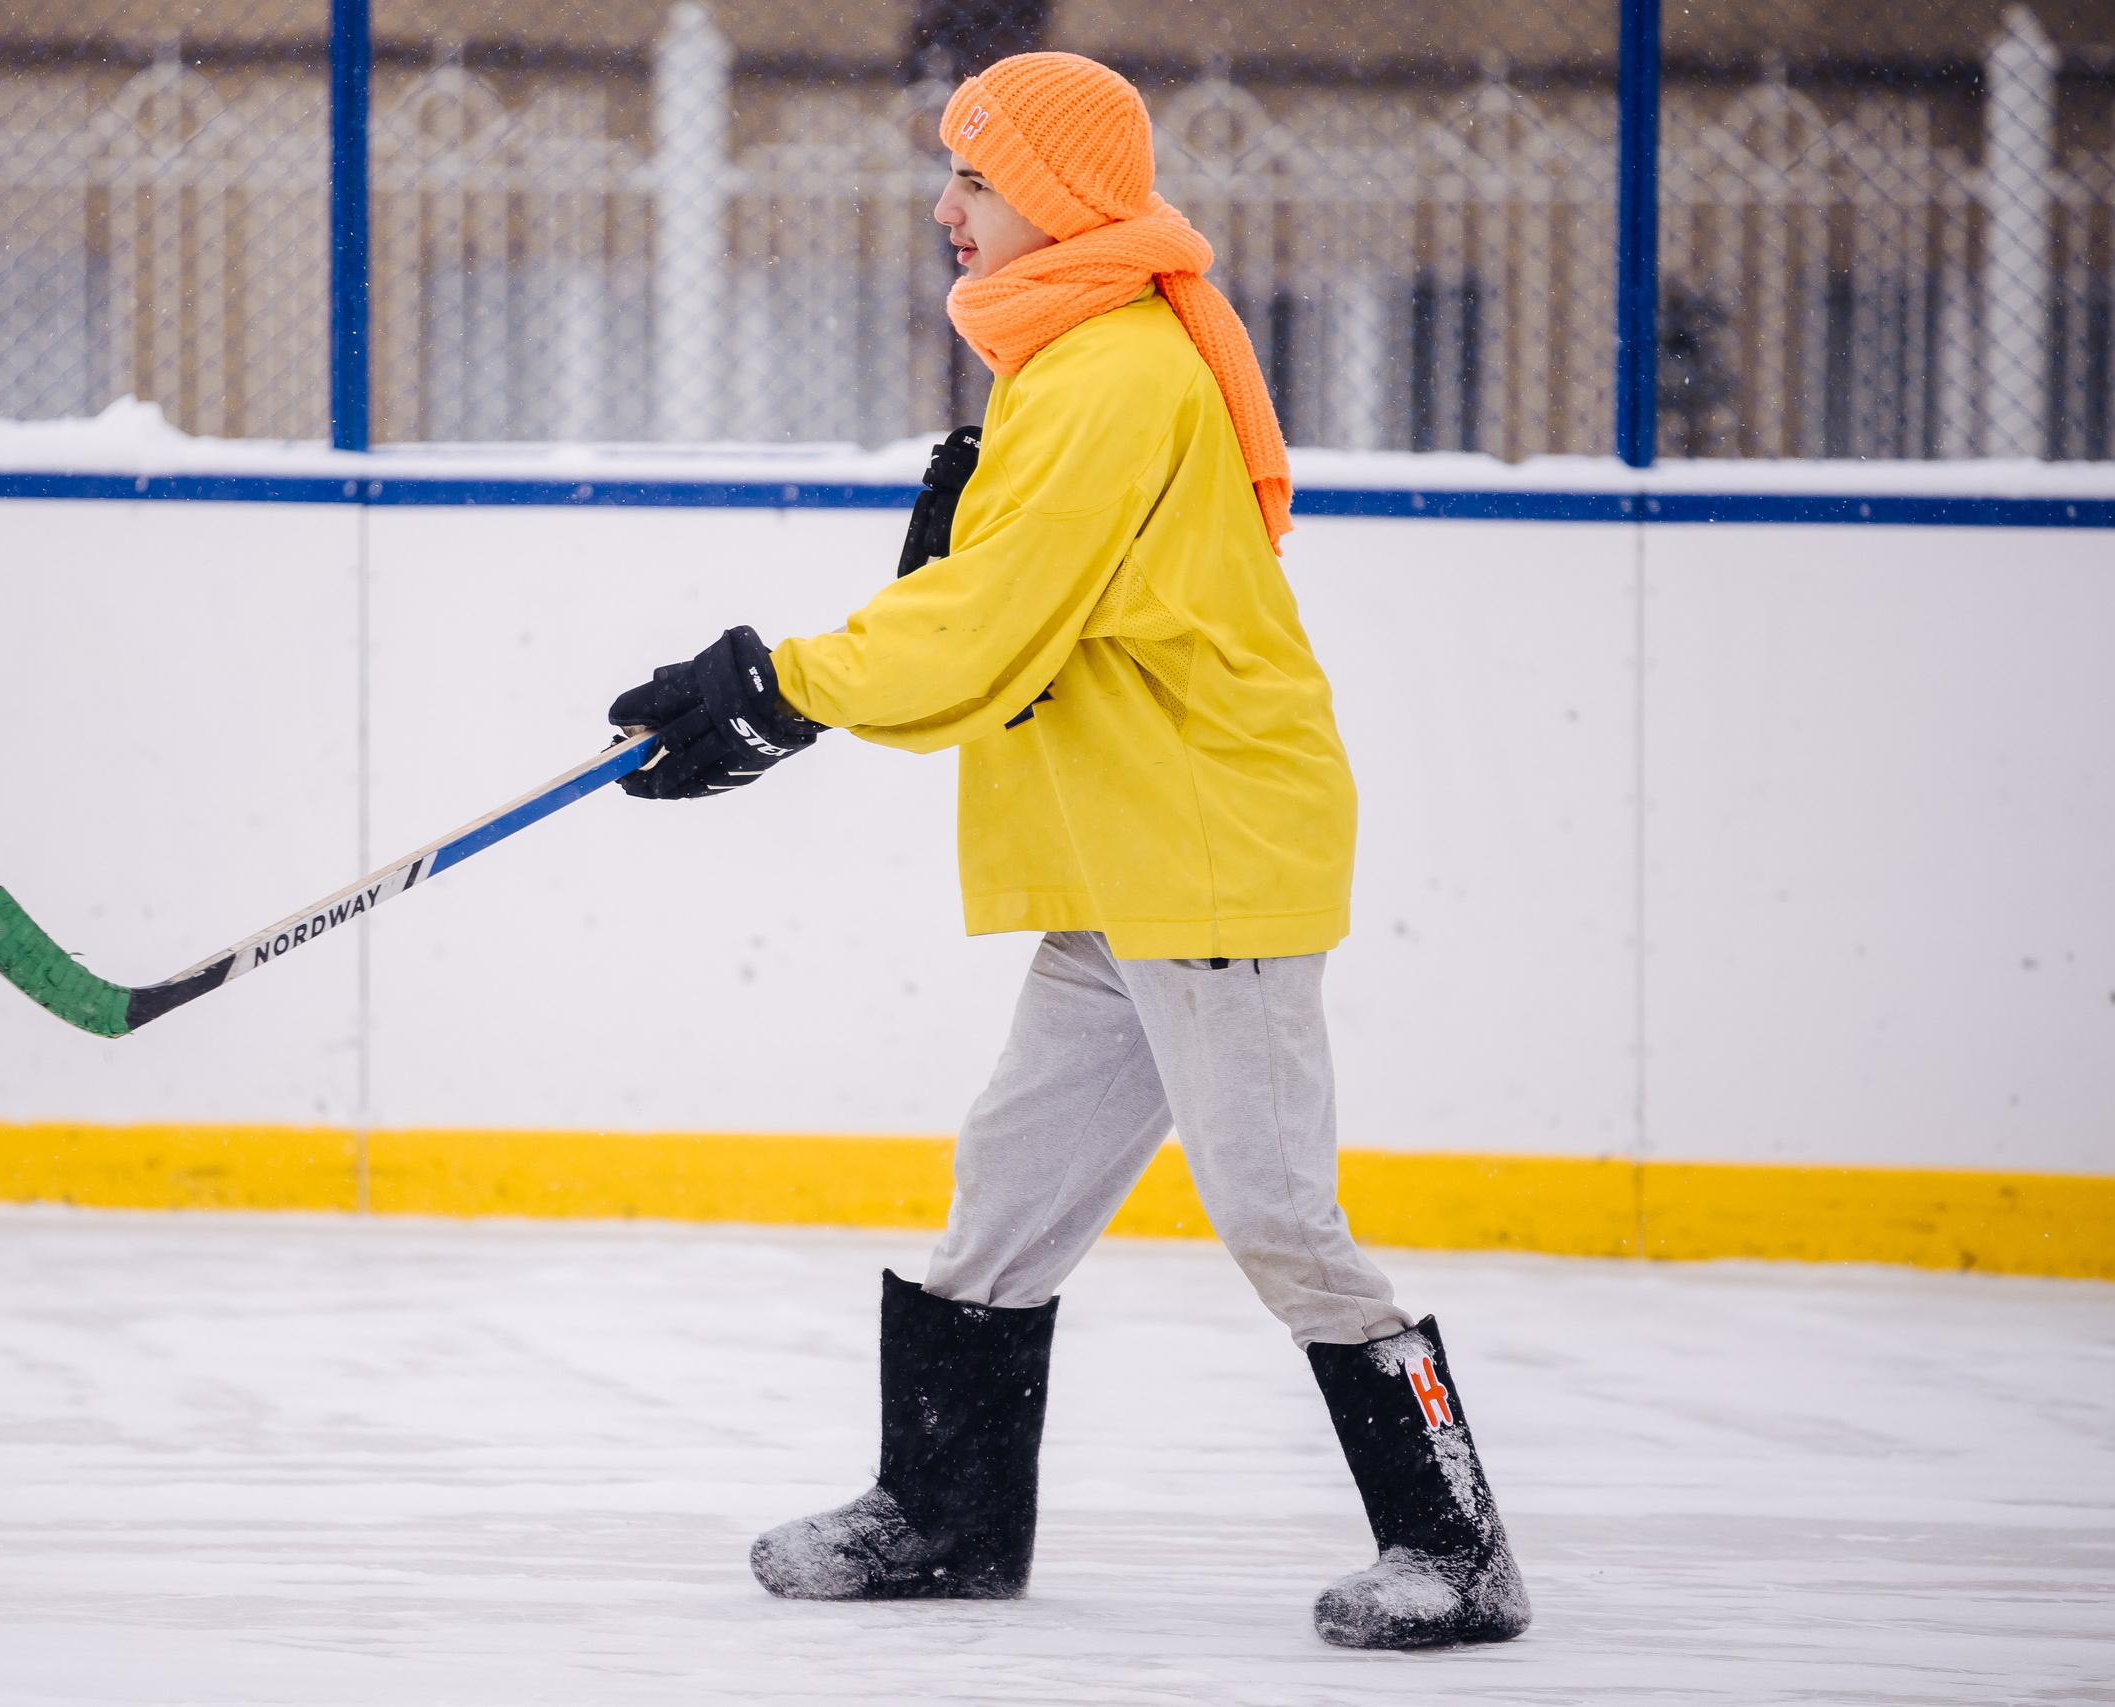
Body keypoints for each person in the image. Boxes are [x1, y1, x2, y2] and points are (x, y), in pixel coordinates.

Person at [606, 52, 1530, 1651]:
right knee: (1011, 1189)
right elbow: (1006, 624)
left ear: (1063, 195)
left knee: (1279, 1219)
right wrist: (845, 661)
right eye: (952, 175)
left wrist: (779, 684)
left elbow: (986, 631)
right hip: (1129, 860)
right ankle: (947, 1519)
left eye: (975, 178)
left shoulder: (1109, 371)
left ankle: (1457, 1548)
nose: (944, 208)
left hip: (1209, 858)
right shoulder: (1076, 359)